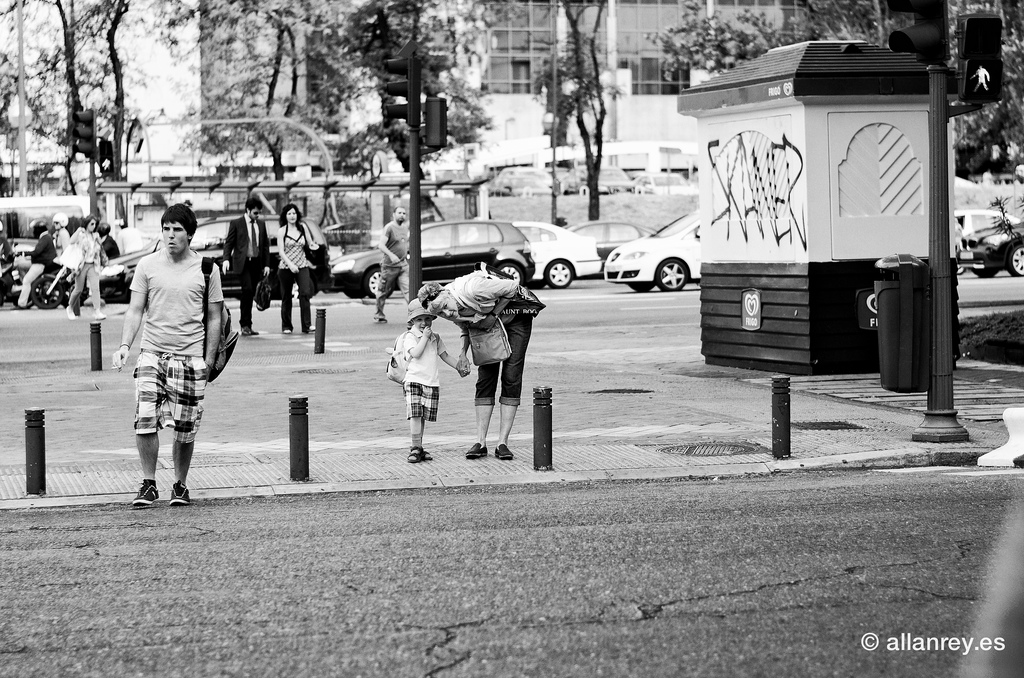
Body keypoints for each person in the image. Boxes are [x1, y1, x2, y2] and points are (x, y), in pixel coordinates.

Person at [111, 203, 223, 508]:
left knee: (185, 428)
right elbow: (135, 310)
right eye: (166, 229)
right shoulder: (147, 265)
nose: (170, 236)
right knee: (144, 420)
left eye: (177, 230)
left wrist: (209, 361)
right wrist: (124, 346)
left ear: (189, 235)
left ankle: (180, 485)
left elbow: (215, 317)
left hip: (189, 358)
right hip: (151, 355)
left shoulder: (207, 269)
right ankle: (148, 484)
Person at [418, 268, 544, 461]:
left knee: (511, 375)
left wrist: (493, 315)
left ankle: (503, 443)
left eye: (444, 306)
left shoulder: (474, 289)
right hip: (486, 323)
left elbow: (512, 287)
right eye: (440, 313)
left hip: (515, 319)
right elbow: (464, 325)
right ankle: (481, 442)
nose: (446, 312)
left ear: (446, 292)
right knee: (486, 376)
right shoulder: (446, 307)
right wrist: (462, 353)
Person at [400, 300, 468, 463]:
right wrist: (424, 337)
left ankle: (420, 447)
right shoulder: (410, 337)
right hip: (414, 381)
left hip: (430, 382)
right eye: (419, 320)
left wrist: (459, 367)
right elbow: (416, 353)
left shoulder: (435, 338)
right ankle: (414, 447)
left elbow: (445, 355)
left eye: (427, 319)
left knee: (423, 416)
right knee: (415, 415)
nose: (424, 323)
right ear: (412, 321)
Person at [223, 196, 270, 336]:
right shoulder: (237, 223)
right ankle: (244, 324)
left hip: (256, 263)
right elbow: (229, 243)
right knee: (247, 290)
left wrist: (267, 265)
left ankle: (248, 325)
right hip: (242, 263)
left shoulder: (260, 224)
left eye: (259, 213)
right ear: (248, 210)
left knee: (252, 293)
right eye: (255, 212)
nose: (257, 215)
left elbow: (265, 246)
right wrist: (226, 259)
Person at [276, 203, 319, 334]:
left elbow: (310, 243)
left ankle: (307, 325)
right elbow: (281, 252)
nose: (292, 216)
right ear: (285, 216)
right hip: (286, 267)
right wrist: (291, 265)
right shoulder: (282, 231)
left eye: (294, 213)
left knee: (305, 293)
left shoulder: (303, 227)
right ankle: (287, 326)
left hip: (302, 265)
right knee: (286, 296)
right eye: (289, 213)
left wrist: (315, 247)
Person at [15, 213, 67, 309]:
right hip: (40, 262)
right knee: (19, 265)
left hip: (41, 263)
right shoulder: (47, 237)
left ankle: (22, 303)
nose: (33, 231)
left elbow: (37, 252)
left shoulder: (46, 237)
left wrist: (23, 253)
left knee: (26, 280)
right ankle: (25, 290)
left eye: (35, 229)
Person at [66, 214, 107, 321]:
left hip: (93, 264)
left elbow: (100, 250)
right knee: (78, 289)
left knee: (95, 288)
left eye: (95, 224)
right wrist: (78, 231)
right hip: (81, 265)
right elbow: (71, 241)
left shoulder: (96, 236)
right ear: (87, 224)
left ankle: (97, 311)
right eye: (91, 224)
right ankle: (70, 307)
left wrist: (103, 262)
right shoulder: (81, 235)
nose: (93, 226)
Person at [373, 205, 409, 323]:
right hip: (389, 266)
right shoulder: (389, 228)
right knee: (383, 291)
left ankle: (415, 315)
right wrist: (392, 255)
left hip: (403, 265)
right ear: (394, 214)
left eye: (404, 213)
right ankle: (379, 314)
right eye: (399, 213)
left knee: (408, 290)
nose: (402, 215)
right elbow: (381, 245)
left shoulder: (405, 228)